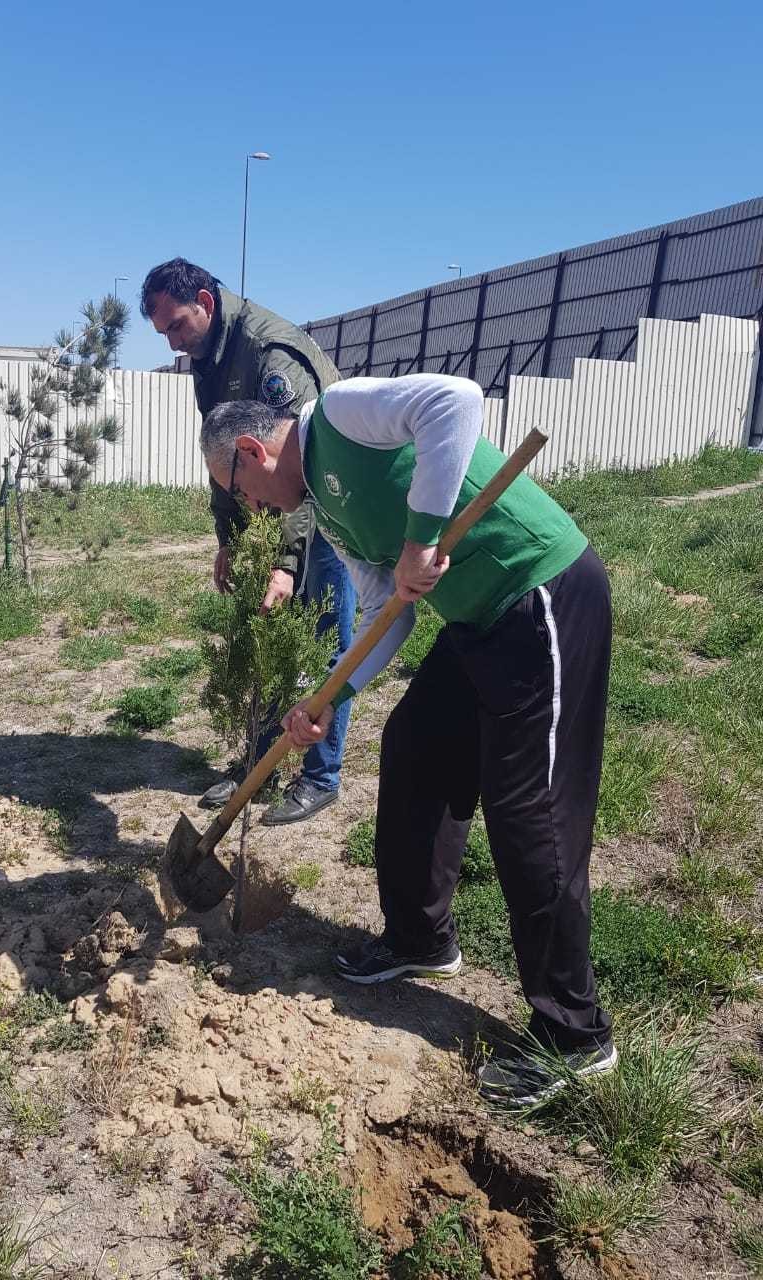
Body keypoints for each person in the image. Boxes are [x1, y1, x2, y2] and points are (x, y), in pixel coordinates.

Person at [196, 373, 617, 1106]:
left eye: (237, 489)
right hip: (475, 620)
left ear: (252, 450)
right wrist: (331, 698)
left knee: (530, 814)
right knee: (415, 747)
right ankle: (421, 940)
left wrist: (422, 537)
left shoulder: (342, 416)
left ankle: (575, 1036)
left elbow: (454, 402)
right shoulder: (326, 512)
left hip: (539, 592)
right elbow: (389, 612)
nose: (246, 507)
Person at [140, 258, 356, 826]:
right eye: (164, 334)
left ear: (206, 303)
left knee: (322, 635)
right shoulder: (206, 358)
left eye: (178, 326)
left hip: (327, 507)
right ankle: (258, 763)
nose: (174, 342)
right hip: (268, 507)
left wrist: (287, 564)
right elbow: (225, 456)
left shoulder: (270, 354)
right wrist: (228, 540)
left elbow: (296, 466)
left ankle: (319, 776)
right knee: (261, 632)